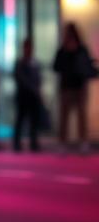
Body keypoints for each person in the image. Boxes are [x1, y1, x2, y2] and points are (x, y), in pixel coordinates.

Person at [53, 22, 97, 152]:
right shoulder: (62, 50)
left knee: (81, 117)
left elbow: (88, 66)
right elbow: (56, 66)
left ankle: (83, 141)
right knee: (64, 117)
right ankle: (62, 142)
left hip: (79, 87)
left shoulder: (81, 49)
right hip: (66, 87)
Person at [13, 38, 43, 153]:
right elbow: (19, 78)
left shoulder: (35, 63)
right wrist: (32, 87)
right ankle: (17, 143)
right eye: (27, 47)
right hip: (23, 96)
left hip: (33, 96)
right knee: (20, 119)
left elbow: (39, 79)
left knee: (33, 121)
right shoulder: (20, 63)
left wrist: (37, 90)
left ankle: (33, 142)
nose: (28, 50)